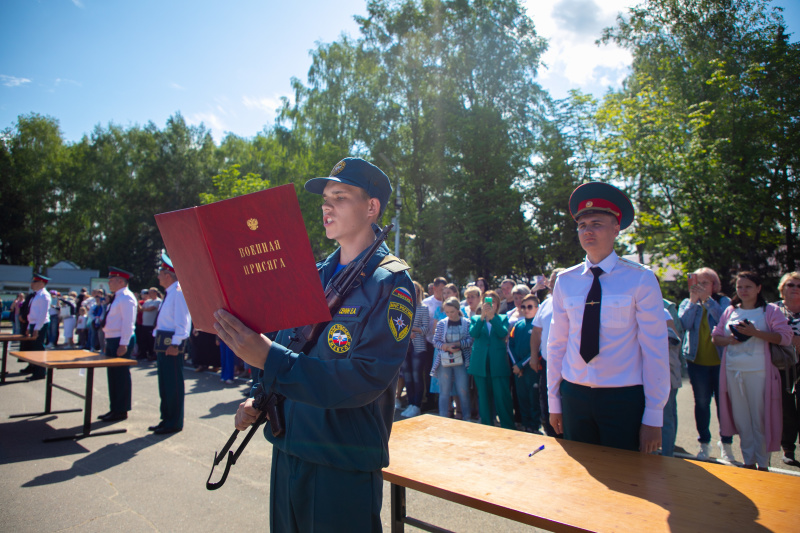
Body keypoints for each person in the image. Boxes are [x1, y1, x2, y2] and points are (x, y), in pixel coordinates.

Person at [214, 157, 414, 532]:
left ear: (372, 208)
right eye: (325, 198)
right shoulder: (315, 274)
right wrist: (257, 396)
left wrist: (268, 359)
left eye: (340, 196)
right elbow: (288, 342)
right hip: (290, 447)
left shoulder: (390, 282)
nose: (327, 205)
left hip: (341, 458)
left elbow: (364, 379)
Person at [547, 182, 669, 453]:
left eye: (597, 223)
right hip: (574, 394)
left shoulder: (640, 279)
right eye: (582, 225)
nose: (588, 230)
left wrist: (653, 414)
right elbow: (557, 344)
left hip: (623, 396)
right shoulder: (566, 281)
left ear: (616, 229)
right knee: (580, 480)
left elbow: (655, 349)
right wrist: (554, 401)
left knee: (628, 482)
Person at [711, 271, 793, 470]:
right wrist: (732, 339)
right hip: (733, 371)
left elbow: (785, 337)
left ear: (758, 288)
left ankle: (763, 464)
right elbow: (716, 337)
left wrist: (755, 333)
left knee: (760, 419)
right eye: (740, 287)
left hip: (760, 372)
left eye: (748, 286)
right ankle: (748, 462)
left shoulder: (770, 311)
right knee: (742, 419)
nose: (743, 290)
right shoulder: (730, 311)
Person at [678, 267, 735, 462]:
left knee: (723, 404)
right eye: (697, 283)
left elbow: (725, 321)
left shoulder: (723, 301)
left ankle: (726, 444)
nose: (700, 287)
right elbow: (682, 325)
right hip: (697, 362)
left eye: (705, 283)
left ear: (714, 285)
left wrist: (708, 302)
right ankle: (704, 443)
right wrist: (694, 303)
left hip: (721, 362)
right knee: (702, 404)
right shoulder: (687, 302)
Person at [149, 253, 191, 435]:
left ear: (168, 274)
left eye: (160, 272)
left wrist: (176, 343)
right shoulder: (170, 292)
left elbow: (183, 322)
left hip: (172, 345)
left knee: (173, 384)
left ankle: (174, 421)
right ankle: (165, 418)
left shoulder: (179, 292)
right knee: (165, 385)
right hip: (163, 344)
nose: (158, 276)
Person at [469, 290, 514, 429]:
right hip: (480, 364)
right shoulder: (476, 319)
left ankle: (508, 426)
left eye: (493, 302)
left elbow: (502, 333)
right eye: (487, 302)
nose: (490, 304)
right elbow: (473, 333)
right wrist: (482, 317)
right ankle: (486, 425)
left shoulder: (503, 318)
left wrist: (492, 317)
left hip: (498, 364)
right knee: (483, 397)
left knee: (502, 397)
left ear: (498, 305)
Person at [98, 267, 138, 422]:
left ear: (121, 281)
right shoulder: (117, 297)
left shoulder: (126, 298)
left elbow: (128, 324)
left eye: (111, 280)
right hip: (113, 339)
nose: (108, 283)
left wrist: (124, 344)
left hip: (121, 339)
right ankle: (114, 408)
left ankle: (121, 409)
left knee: (120, 375)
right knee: (113, 375)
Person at [530, 268, 564, 437]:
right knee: (547, 401)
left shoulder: (575, 301)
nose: (556, 282)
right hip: (547, 363)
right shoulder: (545, 304)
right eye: (553, 279)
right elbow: (536, 332)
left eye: (560, 278)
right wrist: (534, 357)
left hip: (569, 364)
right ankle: (552, 436)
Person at [773, 272, 800, 465]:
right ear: (782, 288)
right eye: (791, 285)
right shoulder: (773, 309)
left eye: (799, 286)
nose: (795, 289)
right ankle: (788, 448)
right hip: (782, 364)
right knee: (786, 406)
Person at [431, 297, 472, 421]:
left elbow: (471, 340)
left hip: (462, 360)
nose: (449, 315)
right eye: (447, 312)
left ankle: (467, 417)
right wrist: (445, 347)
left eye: (452, 312)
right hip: (445, 360)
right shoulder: (442, 323)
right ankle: (443, 417)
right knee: (444, 391)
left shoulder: (467, 323)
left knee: (463, 390)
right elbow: (435, 341)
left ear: (458, 309)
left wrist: (458, 345)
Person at [509, 293, 540, 433]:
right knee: (522, 397)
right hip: (518, 370)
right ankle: (526, 424)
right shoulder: (518, 325)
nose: (526, 309)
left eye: (530, 307)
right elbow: (510, 345)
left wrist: (521, 364)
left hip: (532, 369)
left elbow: (538, 349)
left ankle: (535, 425)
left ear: (537, 308)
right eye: (523, 307)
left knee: (534, 397)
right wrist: (516, 364)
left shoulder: (538, 326)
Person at [401, 281, 430, 418]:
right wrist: (407, 333)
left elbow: (425, 329)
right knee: (407, 376)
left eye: (415, 289)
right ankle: (410, 403)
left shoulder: (423, 308)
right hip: (405, 346)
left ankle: (417, 405)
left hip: (418, 346)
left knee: (417, 376)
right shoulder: (403, 307)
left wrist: (413, 329)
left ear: (419, 292)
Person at [19, 273, 52, 380]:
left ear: (41, 283)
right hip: (33, 323)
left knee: (38, 348)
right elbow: (31, 313)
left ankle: (40, 372)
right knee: (32, 348)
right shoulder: (36, 294)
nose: (32, 284)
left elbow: (42, 314)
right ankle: (33, 367)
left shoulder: (44, 296)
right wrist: (29, 326)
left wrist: (37, 328)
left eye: (34, 281)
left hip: (40, 324)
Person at [661, 308, 683, 457]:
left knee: (667, 416)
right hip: (649, 373)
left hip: (665, 372)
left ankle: (667, 455)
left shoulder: (662, 312)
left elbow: (675, 341)